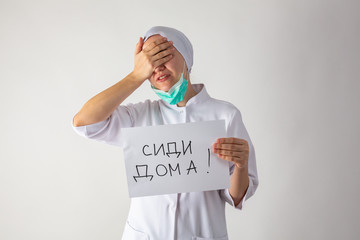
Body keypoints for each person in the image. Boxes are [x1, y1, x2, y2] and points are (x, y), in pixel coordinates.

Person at [72, 26, 258, 240]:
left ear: (186, 58)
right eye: (149, 60)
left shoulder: (226, 115)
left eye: (163, 54)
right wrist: (135, 76)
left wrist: (241, 166)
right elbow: (83, 122)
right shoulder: (138, 116)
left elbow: (235, 197)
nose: (157, 66)